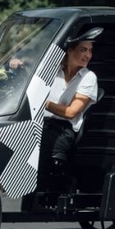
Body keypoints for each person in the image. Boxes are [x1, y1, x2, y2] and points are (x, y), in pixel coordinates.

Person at [22, 28, 102, 209]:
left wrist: (44, 103)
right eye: (83, 49)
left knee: (38, 144)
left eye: (90, 50)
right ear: (69, 50)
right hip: (40, 124)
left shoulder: (89, 78)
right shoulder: (51, 72)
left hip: (64, 130)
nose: (88, 55)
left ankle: (40, 194)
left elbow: (71, 112)